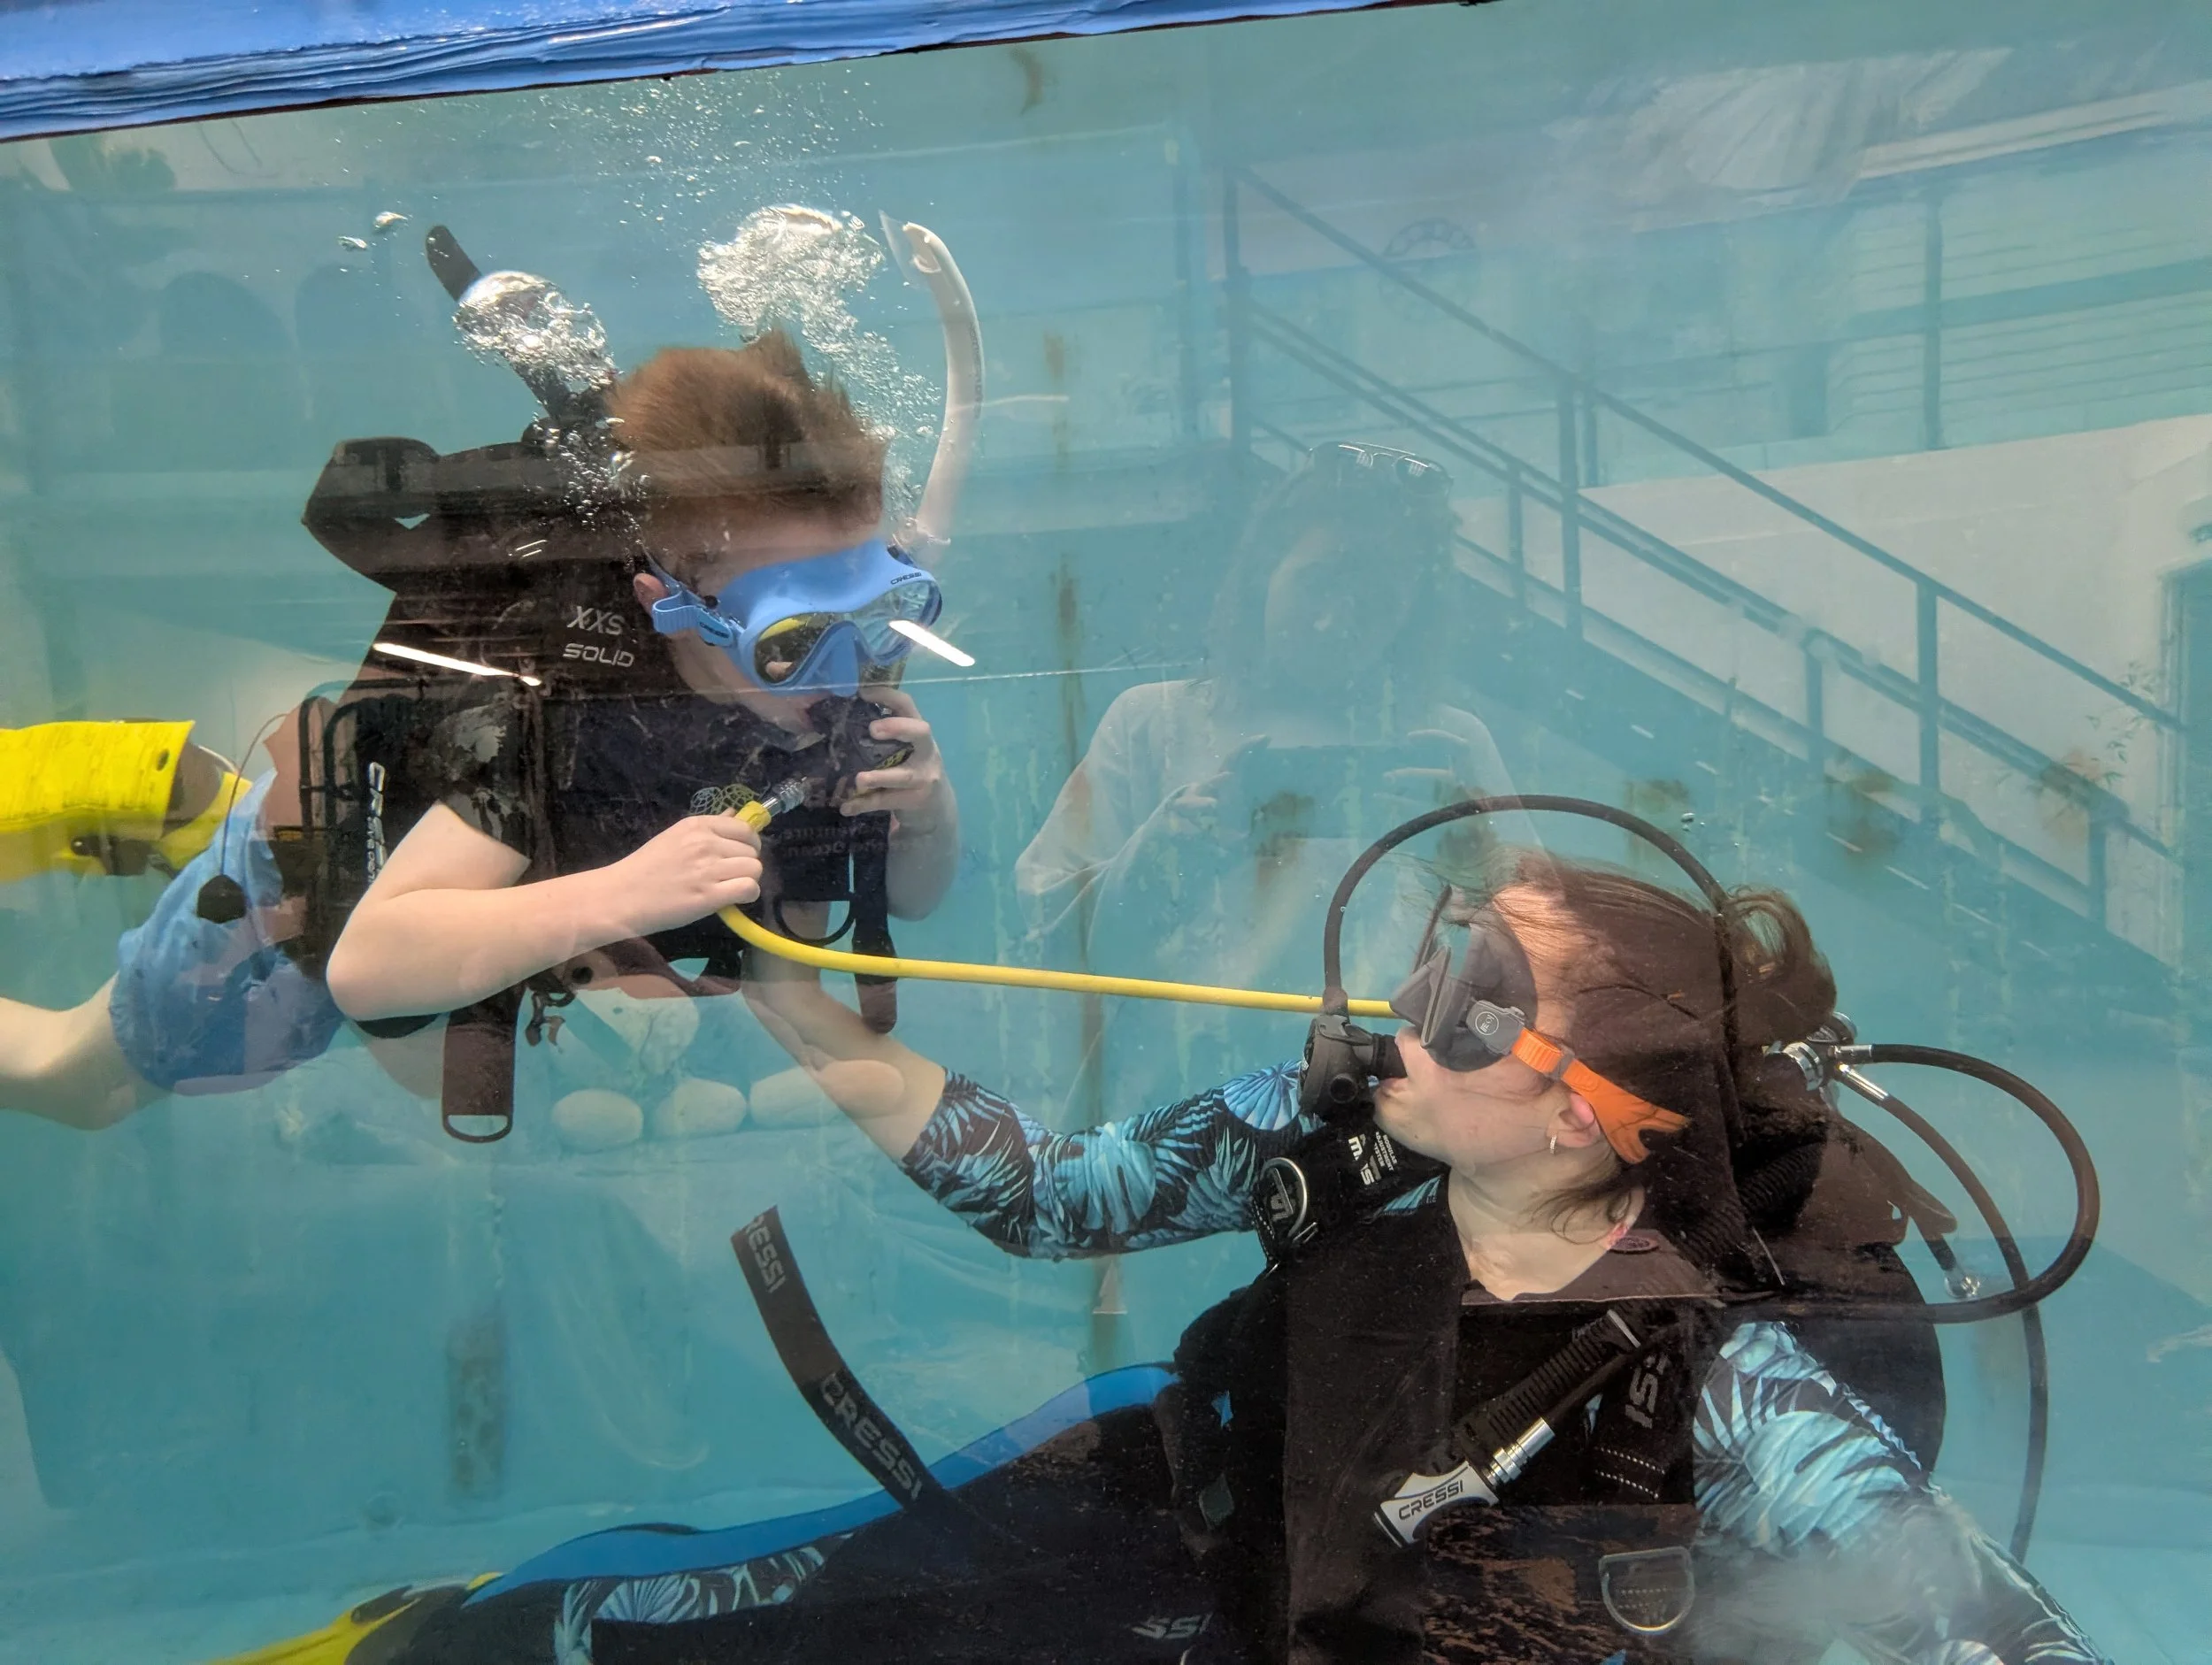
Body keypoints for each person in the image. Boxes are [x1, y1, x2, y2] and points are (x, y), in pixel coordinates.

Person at [265, 848, 2108, 1665]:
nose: (1402, 1006)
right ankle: (435, 1636)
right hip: (1158, 1508)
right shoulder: (1354, 1121)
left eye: (1467, 995)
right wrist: (779, 991)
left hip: (1258, 1623)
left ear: (1583, 1120)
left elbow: (1988, 1626)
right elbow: (1048, 1190)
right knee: (702, 1632)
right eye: (1434, 949)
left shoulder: (1715, 1379)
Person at [0, 330, 957, 1133]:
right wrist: (630, 890)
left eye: (876, 615)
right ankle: (193, 808)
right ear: (667, 605)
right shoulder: (542, 712)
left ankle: (190, 803)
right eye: (791, 641)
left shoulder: (821, 688)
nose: (846, 670)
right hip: (315, 876)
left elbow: (910, 900)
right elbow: (367, 967)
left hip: (490, 904)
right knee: (78, 1081)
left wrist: (926, 812)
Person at [1017, 442, 1526, 1120]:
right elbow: (1042, 936)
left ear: (1411, 614)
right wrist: (1164, 854)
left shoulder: (1449, 744)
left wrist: (1476, 858)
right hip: (1169, 1109)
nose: (1335, 618)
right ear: (1263, 575)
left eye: (1376, 598)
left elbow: (1544, 956)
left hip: (1382, 1111)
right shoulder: (1152, 724)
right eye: (1319, 581)